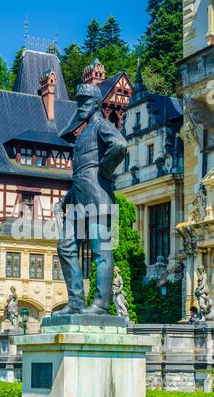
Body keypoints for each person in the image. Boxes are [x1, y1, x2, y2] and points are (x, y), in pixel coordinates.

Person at [54, 83, 127, 316]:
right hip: (79, 201)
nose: (80, 107)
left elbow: (120, 144)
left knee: (101, 250)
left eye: (85, 102)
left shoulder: (101, 126)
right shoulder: (83, 134)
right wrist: (67, 199)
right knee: (65, 246)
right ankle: (76, 302)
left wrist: (104, 172)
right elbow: (81, 172)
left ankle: (101, 304)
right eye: (79, 102)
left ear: (96, 104)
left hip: (98, 198)